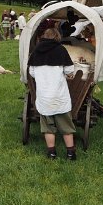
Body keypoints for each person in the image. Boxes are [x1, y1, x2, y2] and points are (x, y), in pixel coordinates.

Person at [28, 27, 76, 160]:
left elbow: (31, 72)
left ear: (44, 36)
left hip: (44, 97)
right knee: (66, 126)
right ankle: (71, 154)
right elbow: (69, 70)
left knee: (48, 128)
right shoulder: (61, 50)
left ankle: (52, 153)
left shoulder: (36, 51)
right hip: (59, 96)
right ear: (57, 37)